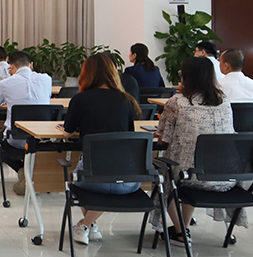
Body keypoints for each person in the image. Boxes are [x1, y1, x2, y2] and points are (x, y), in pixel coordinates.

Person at [151, 56, 236, 244]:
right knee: (185, 165)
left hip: (189, 177)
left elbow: (163, 137)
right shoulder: (224, 101)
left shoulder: (177, 102)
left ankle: (180, 231)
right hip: (224, 175)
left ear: (186, 77)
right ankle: (184, 226)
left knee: (167, 175)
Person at [61, 54, 141, 245]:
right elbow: (127, 135)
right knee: (106, 180)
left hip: (92, 179)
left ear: (86, 74)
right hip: (129, 180)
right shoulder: (127, 100)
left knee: (76, 178)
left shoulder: (80, 99)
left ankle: (85, 224)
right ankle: (90, 226)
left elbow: (67, 132)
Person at [0, 50, 52, 195]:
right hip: (42, 138)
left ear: (10, 67)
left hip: (16, 139)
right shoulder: (46, 79)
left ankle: (22, 170)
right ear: (31, 65)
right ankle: (31, 172)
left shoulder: (5, 84)